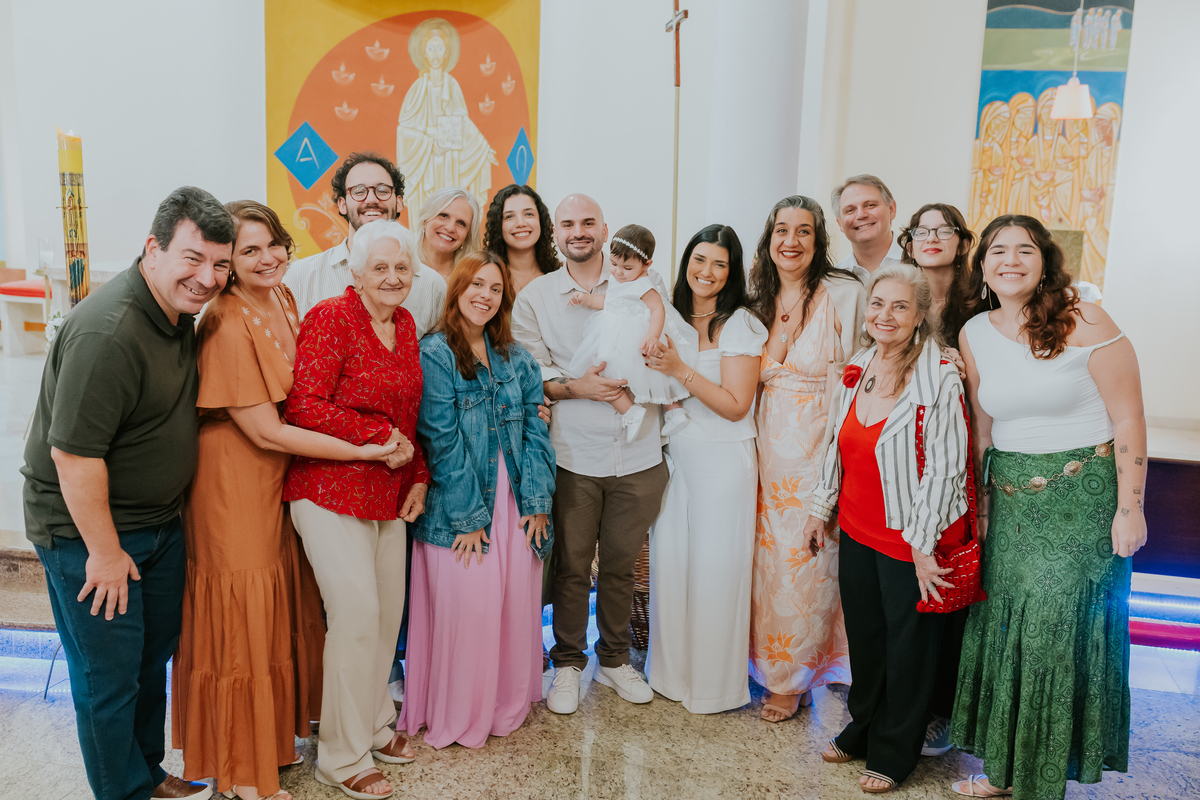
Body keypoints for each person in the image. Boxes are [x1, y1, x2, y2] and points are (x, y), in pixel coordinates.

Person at [172, 202, 401, 800]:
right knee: (242, 613)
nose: (267, 257)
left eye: (273, 243)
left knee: (277, 608)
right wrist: (364, 450)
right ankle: (241, 769)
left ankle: (272, 742)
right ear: (227, 262)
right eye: (249, 251)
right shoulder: (224, 320)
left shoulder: (284, 296)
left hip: (284, 470)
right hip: (235, 477)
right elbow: (267, 430)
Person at [21, 187, 235, 800]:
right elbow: (74, 456)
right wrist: (106, 553)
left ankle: (146, 773)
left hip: (156, 524)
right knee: (108, 679)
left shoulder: (177, 311)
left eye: (220, 264)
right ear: (153, 248)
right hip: (87, 534)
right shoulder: (108, 332)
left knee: (148, 660)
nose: (207, 277)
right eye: (193, 258)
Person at [950, 215, 1146, 800]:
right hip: (1011, 504)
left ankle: (1040, 781)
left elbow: (1128, 418)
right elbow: (983, 430)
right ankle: (1006, 772)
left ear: (1045, 262)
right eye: (997, 250)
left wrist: (1130, 508)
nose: (1009, 260)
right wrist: (983, 513)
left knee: (1052, 636)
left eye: (1024, 250)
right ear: (982, 265)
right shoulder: (974, 332)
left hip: (1082, 500)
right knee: (1010, 631)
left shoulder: (1087, 320)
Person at [805, 265, 970, 793]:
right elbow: (836, 443)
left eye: (900, 306)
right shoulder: (859, 366)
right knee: (868, 639)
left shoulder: (939, 377)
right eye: (878, 304)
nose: (886, 315)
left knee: (908, 650)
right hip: (856, 529)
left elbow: (946, 468)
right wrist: (819, 509)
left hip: (910, 539)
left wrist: (922, 546)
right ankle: (863, 728)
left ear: (920, 315)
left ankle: (897, 751)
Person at [284, 220, 429, 800]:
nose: (392, 278)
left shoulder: (406, 323)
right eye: (380, 268)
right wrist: (378, 435)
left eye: (402, 268)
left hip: (387, 491)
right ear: (357, 272)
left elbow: (409, 412)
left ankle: (374, 725)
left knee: (387, 616)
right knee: (357, 615)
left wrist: (417, 474)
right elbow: (303, 405)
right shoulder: (330, 318)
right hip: (327, 489)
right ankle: (341, 758)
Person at [512, 193, 669, 715]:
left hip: (639, 453)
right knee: (573, 567)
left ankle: (616, 659)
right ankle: (567, 663)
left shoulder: (642, 282)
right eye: (567, 224)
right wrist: (577, 386)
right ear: (555, 234)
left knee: (622, 567)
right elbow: (531, 374)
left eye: (588, 223)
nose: (578, 231)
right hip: (573, 454)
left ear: (604, 229)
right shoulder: (536, 297)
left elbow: (667, 343)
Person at [400, 252, 556, 748]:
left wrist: (537, 502)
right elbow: (441, 441)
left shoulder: (517, 357)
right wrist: (470, 517)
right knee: (471, 610)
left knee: (511, 607)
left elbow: (536, 430)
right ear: (457, 290)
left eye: (495, 288)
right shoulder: (435, 353)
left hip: (516, 500)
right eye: (476, 285)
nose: (485, 295)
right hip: (461, 504)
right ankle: (460, 711)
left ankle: (502, 705)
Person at [748, 195, 865, 723]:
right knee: (762, 563)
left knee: (805, 562)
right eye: (782, 230)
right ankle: (756, 662)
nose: (790, 241)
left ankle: (792, 678)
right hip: (760, 440)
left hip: (819, 439)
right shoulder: (756, 296)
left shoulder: (845, 293)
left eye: (803, 231)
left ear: (819, 241)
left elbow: (864, 369)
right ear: (768, 238)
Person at [643, 224, 767, 713]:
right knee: (671, 564)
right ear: (686, 262)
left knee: (716, 572)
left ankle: (713, 688)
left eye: (720, 263)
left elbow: (736, 405)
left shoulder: (740, 323)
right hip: (675, 456)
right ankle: (670, 676)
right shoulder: (667, 314)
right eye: (699, 259)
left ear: (732, 272)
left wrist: (679, 371)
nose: (707, 271)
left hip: (722, 457)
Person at [896, 201, 977, 758]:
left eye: (942, 229)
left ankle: (942, 709)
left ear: (961, 241)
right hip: (905, 448)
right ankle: (902, 698)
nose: (931, 238)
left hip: (962, 446)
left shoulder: (981, 302)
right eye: (921, 230)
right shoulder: (899, 294)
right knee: (904, 575)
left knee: (948, 574)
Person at [284, 151, 447, 337]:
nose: (371, 199)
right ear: (342, 204)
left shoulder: (433, 286)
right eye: (359, 191)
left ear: (399, 202)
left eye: (383, 190)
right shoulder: (299, 278)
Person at [567, 224, 695, 441]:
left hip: (639, 335)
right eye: (614, 264)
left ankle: (674, 411)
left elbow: (658, 309)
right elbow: (611, 302)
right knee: (602, 371)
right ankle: (630, 411)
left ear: (646, 265)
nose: (618, 272)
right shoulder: (618, 279)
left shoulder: (644, 285)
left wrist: (653, 336)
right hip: (613, 333)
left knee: (658, 373)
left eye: (627, 268)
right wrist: (587, 299)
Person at [482, 183, 561, 295]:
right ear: (498, 226)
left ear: (541, 221)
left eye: (528, 214)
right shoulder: (484, 275)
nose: (520, 223)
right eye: (509, 216)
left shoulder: (561, 274)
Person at [832, 175, 904, 282]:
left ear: (891, 209)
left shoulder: (919, 262)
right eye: (850, 210)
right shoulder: (834, 279)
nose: (861, 215)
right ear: (840, 223)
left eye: (870, 205)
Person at [414, 186, 481, 282]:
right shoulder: (400, 262)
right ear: (425, 220)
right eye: (443, 216)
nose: (450, 228)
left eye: (461, 223)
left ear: (467, 236)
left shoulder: (471, 280)